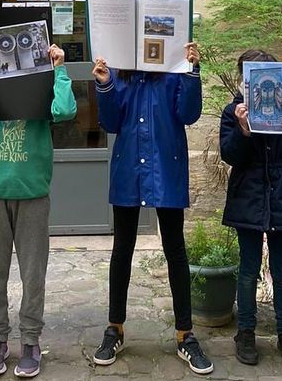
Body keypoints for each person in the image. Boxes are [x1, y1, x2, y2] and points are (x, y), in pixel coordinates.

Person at [91, 43, 214, 375]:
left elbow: (189, 114)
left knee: (175, 249)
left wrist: (192, 72)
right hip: (129, 168)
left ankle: (185, 334)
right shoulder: (120, 74)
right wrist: (105, 84)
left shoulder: (172, 72)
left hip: (166, 168)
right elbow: (110, 123)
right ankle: (114, 328)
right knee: (122, 249)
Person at [0, 42, 76, 378]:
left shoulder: (40, 85)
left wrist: (59, 69)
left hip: (32, 193)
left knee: (33, 274)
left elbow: (65, 110)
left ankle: (30, 341)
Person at [219, 50, 282, 369]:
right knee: (248, 269)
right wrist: (243, 130)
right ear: (243, 80)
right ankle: (246, 332)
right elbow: (230, 155)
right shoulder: (232, 112)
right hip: (248, 198)